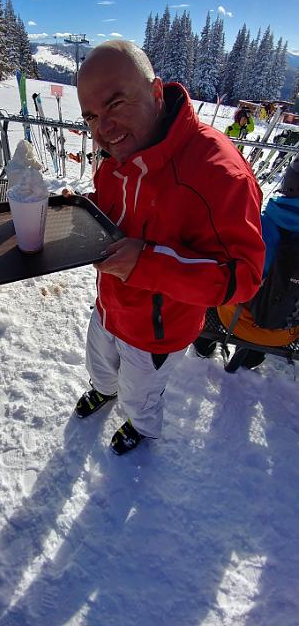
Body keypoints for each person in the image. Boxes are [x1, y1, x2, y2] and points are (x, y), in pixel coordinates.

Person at [70, 40, 264, 455]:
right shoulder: (119, 149)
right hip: (107, 307)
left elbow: (244, 277)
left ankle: (140, 426)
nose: (104, 129)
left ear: (156, 92)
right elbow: (116, 210)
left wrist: (146, 264)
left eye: (116, 103)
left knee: (140, 393)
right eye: (91, 117)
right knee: (99, 365)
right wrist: (82, 211)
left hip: (156, 334)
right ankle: (103, 391)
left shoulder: (219, 172)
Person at [195, 155, 299, 368]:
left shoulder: (256, 225)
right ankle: (252, 358)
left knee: (215, 285)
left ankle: (203, 345)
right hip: (284, 333)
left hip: (235, 320)